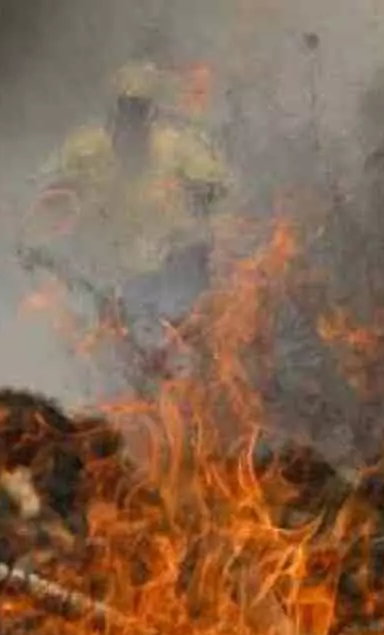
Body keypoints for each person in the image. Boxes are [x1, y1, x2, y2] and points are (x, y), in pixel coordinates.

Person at [23, 60, 231, 394]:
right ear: (113, 111)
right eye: (125, 108)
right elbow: (48, 185)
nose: (131, 119)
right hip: (118, 267)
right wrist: (42, 230)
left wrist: (197, 199)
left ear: (152, 112)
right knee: (125, 354)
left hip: (177, 261)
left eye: (139, 108)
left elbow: (217, 186)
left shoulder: (179, 145)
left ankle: (193, 399)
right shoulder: (87, 147)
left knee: (183, 342)